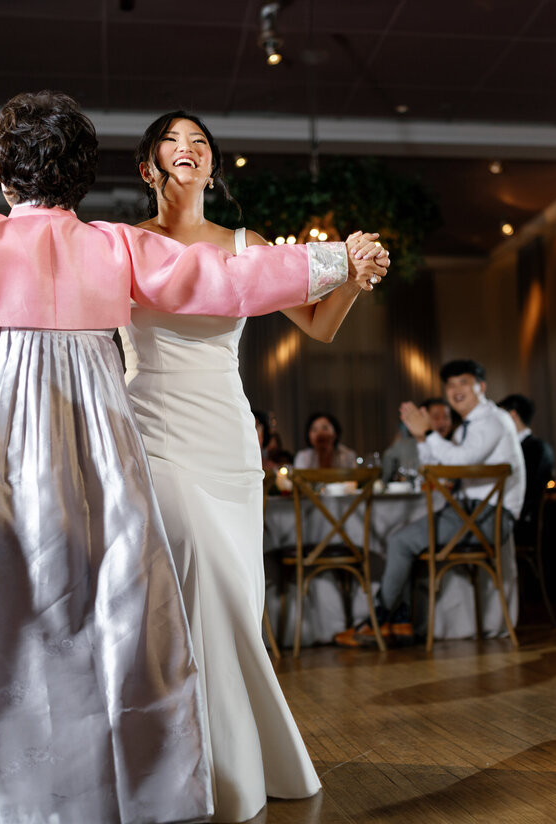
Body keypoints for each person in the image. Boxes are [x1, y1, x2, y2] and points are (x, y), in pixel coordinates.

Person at [0, 91, 384, 823]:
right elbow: (227, 279)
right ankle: (104, 780)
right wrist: (329, 259)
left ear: (6, 177)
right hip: (91, 431)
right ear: (84, 178)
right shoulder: (114, 243)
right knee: (100, 606)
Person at [114, 110, 388, 822]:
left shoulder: (246, 245)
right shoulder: (124, 245)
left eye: (199, 143)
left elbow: (321, 326)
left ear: (212, 166)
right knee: (185, 587)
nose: (187, 150)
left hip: (226, 439)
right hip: (152, 429)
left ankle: (239, 760)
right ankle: (186, 766)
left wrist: (352, 277)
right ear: (148, 168)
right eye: (171, 142)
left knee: (235, 598)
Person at [336, 359, 525, 647]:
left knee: (400, 541)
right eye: (450, 384)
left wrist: (426, 434)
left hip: (488, 518)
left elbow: (460, 463)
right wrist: (422, 438)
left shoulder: (492, 420)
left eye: (464, 382)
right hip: (472, 514)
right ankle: (398, 622)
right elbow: (435, 464)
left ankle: (378, 619)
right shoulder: (468, 427)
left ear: (481, 387)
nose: (455, 389)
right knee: (402, 536)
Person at [496, 393, 554, 546]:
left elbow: (529, 491)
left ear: (512, 415)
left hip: (524, 521)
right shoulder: (529, 447)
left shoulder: (535, 448)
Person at [380, 397, 454, 485]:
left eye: (446, 417)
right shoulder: (403, 446)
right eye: (436, 417)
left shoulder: (455, 446)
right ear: (421, 418)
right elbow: (384, 478)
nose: (442, 422)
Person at [293, 411, 358, 470]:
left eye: (324, 428)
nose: (319, 433)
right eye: (314, 429)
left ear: (335, 433)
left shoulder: (347, 455)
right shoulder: (303, 457)